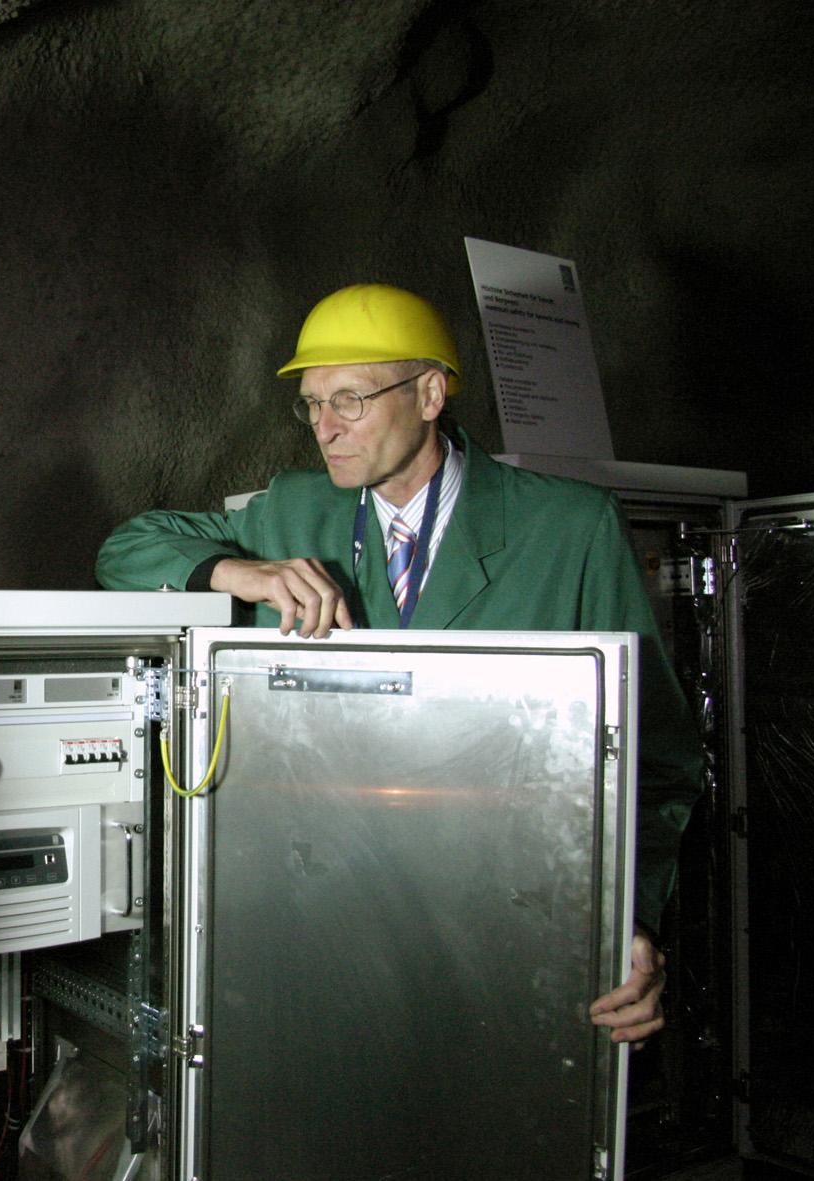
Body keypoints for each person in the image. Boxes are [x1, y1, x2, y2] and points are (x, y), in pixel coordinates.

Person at [95, 282, 702, 1047]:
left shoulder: (570, 528)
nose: (325, 427)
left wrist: (628, 919)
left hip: (513, 926)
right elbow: (124, 549)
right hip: (330, 933)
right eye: (312, 404)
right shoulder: (294, 510)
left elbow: (659, 762)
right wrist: (238, 572)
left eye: (349, 400)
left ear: (430, 393)